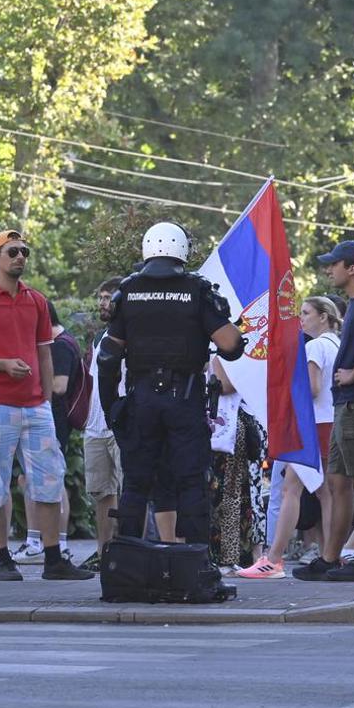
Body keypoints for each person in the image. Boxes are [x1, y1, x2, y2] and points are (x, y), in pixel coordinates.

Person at [97, 221, 244, 563]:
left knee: (136, 483)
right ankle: (196, 563)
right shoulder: (196, 290)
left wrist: (112, 407)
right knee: (191, 480)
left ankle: (127, 563)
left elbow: (108, 356)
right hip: (185, 397)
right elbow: (231, 345)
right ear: (183, 251)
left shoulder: (128, 291)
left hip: (141, 398)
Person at [0, 230, 92, 582]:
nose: (19, 257)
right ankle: (2, 559)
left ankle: (52, 559)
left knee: (48, 479)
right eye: (12, 251)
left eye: (24, 252)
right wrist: (3, 364)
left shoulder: (37, 301)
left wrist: (45, 399)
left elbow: (45, 351)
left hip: (35, 407)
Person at [295, 241, 354, 582]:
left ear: (351, 268)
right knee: (337, 481)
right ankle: (330, 557)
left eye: (334, 264)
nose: (328, 269)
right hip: (346, 404)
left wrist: (353, 373)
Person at [238, 297, 341, 578]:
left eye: (306, 313)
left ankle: (273, 559)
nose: (301, 318)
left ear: (324, 317)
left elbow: (313, 389)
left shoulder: (317, 346)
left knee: (290, 490)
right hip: (330, 423)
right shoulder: (336, 344)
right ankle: (330, 555)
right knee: (325, 493)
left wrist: (286, 395)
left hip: (312, 425)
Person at [80, 278, 125, 569]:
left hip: (121, 422)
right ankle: (103, 551)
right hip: (95, 424)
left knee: (129, 490)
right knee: (101, 493)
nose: (103, 303)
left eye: (108, 297)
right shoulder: (99, 338)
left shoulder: (133, 334)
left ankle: (128, 550)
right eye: (101, 297)